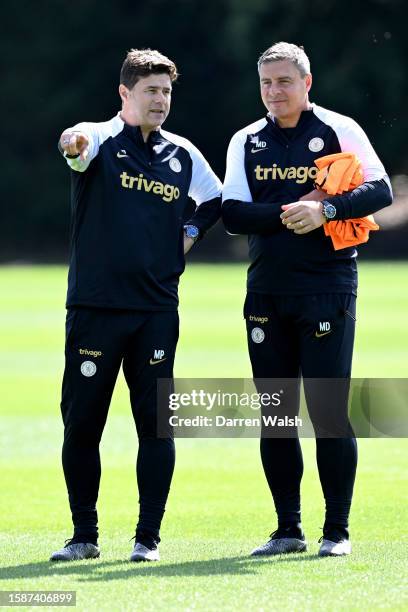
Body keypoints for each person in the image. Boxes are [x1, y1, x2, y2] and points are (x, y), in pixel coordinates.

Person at [50, 48, 221, 563]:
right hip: (95, 309)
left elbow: (213, 200)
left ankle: (147, 539)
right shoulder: (99, 140)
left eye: (167, 91)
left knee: (155, 426)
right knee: (83, 425)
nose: (161, 101)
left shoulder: (182, 154)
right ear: (125, 94)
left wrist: (188, 233)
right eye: (151, 91)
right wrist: (72, 141)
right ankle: (84, 536)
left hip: (155, 312)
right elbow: (73, 143)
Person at [222, 42, 392, 557]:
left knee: (328, 411)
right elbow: (232, 213)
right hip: (266, 290)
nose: (274, 92)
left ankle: (336, 532)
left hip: (328, 286)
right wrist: (288, 213)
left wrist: (327, 211)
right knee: (275, 414)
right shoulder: (246, 140)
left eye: (284, 82)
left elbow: (380, 190)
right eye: (266, 83)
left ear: (307, 83)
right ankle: (287, 530)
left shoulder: (339, 129)